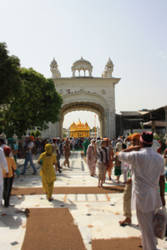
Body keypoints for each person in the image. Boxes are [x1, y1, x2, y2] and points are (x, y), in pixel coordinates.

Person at [118, 131, 165, 250]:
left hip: (142, 196)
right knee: (148, 225)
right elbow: (161, 178)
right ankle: (147, 246)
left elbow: (118, 155)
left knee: (146, 228)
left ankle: (151, 247)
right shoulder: (159, 157)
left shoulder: (136, 155)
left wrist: (133, 148)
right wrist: (162, 196)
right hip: (154, 195)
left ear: (141, 142)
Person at [119, 133, 140, 226]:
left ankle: (142, 221)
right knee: (126, 197)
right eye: (132, 141)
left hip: (140, 180)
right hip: (132, 178)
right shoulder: (133, 151)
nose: (132, 142)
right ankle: (128, 217)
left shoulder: (142, 152)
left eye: (134, 140)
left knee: (140, 201)